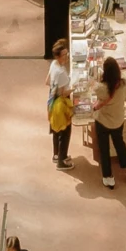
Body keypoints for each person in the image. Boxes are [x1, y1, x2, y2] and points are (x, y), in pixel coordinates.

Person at [94, 58, 126, 189]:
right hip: (118, 121)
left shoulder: (102, 88)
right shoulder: (124, 85)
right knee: (120, 145)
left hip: (103, 122)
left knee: (104, 149)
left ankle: (108, 177)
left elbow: (93, 87)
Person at [45, 40, 76, 169]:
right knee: (65, 131)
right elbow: (64, 93)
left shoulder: (54, 65)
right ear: (58, 56)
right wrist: (74, 87)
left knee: (56, 128)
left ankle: (56, 155)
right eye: (64, 55)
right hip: (60, 104)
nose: (67, 57)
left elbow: (47, 81)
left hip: (51, 101)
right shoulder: (61, 73)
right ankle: (62, 161)